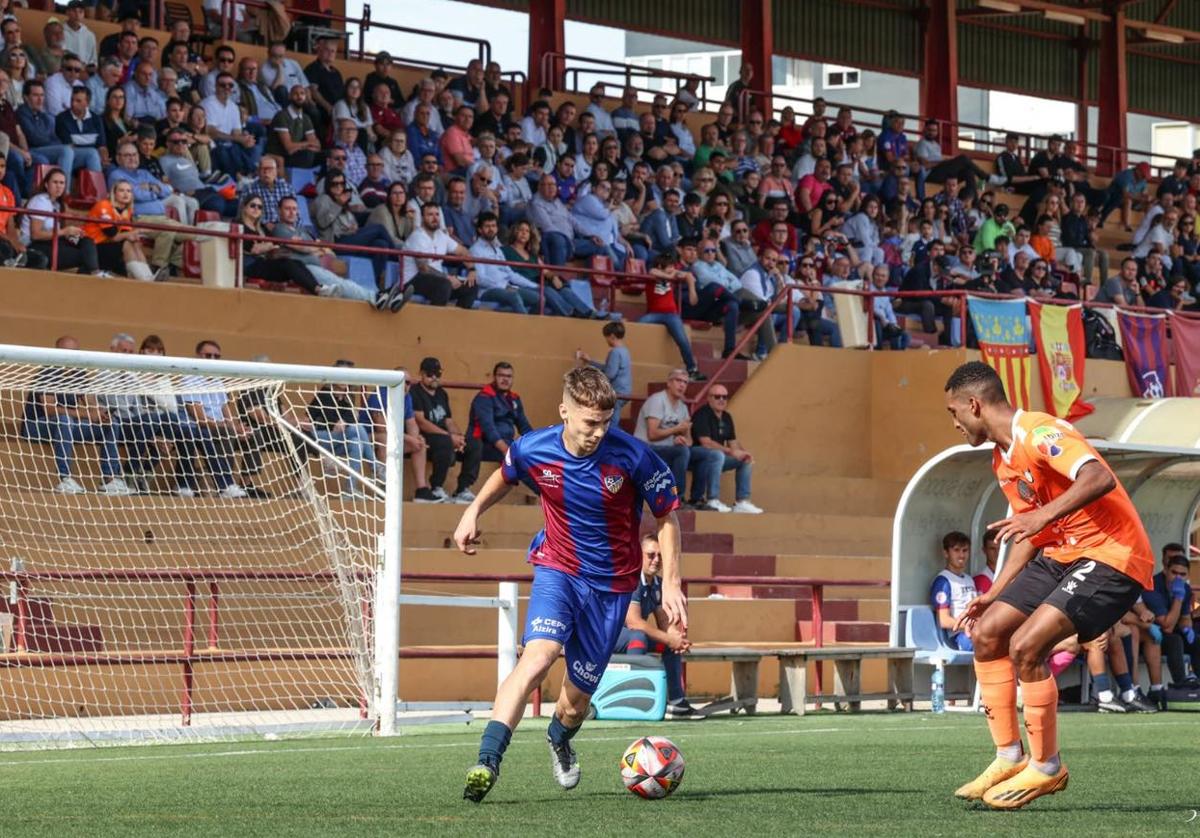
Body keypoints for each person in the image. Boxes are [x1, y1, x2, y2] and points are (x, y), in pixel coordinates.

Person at [459, 366, 686, 803]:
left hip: (613, 588)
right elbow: (505, 474)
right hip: (558, 570)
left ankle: (559, 739)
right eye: (589, 422)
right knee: (538, 657)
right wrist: (472, 513)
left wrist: (672, 581)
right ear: (564, 411)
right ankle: (487, 761)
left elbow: (667, 515)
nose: (599, 432)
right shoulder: (534, 448)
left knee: (574, 703)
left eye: (606, 422)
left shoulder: (633, 456)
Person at [944, 361, 1153, 809]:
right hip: (1061, 554)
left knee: (1025, 647)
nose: (955, 423)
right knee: (987, 634)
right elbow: (1029, 533)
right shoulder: (1002, 459)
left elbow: (1097, 476)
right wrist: (995, 591)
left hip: (1111, 556)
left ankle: (1047, 767)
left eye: (953, 412)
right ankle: (1008, 756)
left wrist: (1042, 515)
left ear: (974, 405)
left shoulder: (1040, 432)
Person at [20, 335, 131, 495]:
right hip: (35, 426)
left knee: (111, 423)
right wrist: (85, 414)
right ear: (56, 352)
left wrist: (100, 414)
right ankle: (64, 478)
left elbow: (91, 403)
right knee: (64, 420)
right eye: (66, 351)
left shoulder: (79, 374)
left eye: (74, 351)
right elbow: (49, 409)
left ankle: (109, 480)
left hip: (67, 426)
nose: (70, 356)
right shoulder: (48, 372)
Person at [611, 534, 696, 717]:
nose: (656, 560)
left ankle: (676, 702)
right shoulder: (632, 580)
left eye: (660, 556)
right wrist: (669, 638)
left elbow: (664, 621)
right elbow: (634, 622)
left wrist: (676, 638)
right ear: (638, 555)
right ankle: (631, 700)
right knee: (638, 637)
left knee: (669, 645)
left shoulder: (657, 583)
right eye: (651, 555)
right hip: (605, 637)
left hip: (629, 636)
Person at [271, 196, 376, 303]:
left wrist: (312, 247)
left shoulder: (302, 230)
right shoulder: (279, 229)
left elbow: (327, 251)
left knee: (343, 282)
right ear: (279, 211)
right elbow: (303, 247)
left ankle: (375, 296)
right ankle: (375, 297)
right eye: (287, 209)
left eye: (294, 209)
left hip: (317, 267)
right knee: (340, 284)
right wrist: (315, 248)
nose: (291, 212)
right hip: (305, 268)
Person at [410, 356, 480, 505]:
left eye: (438, 374)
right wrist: (449, 437)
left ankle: (462, 489)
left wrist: (458, 437)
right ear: (421, 374)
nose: (434, 377)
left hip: (444, 436)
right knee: (445, 442)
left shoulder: (442, 394)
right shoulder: (415, 392)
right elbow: (421, 422)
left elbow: (448, 420)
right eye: (430, 374)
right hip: (426, 436)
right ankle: (436, 487)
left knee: (474, 444)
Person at [690, 385, 762, 514]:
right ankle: (713, 499)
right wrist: (730, 451)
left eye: (725, 397)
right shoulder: (702, 414)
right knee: (718, 455)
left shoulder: (727, 417)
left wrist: (741, 454)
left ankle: (742, 502)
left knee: (744, 460)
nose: (721, 400)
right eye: (717, 397)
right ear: (709, 398)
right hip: (698, 457)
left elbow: (732, 442)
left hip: (718, 458)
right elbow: (706, 443)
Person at [21, 167, 104, 275]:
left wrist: (71, 233)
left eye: (62, 183)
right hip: (35, 245)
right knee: (84, 256)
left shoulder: (56, 204)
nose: (59, 186)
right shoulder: (40, 201)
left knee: (87, 241)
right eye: (55, 182)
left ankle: (94, 272)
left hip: (52, 241)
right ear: (46, 184)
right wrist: (64, 232)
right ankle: (96, 274)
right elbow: (35, 235)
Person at [1140, 545, 1199, 688]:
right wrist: (1178, 599)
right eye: (1174, 573)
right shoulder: (1153, 585)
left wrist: (1187, 628)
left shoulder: (1185, 588)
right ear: (1166, 570)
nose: (1178, 578)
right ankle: (1181, 685)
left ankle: (1196, 686)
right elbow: (1167, 626)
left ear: (1188, 576)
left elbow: (1185, 619)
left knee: (1197, 642)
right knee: (1175, 640)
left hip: (1170, 634)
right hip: (1150, 635)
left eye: (1182, 575)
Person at [307, 378, 376, 499]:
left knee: (356, 443)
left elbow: (350, 419)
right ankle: (374, 466)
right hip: (321, 438)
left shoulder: (349, 397)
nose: (345, 379)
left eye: (347, 376)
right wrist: (342, 423)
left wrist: (344, 422)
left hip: (339, 440)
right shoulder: (324, 395)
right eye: (341, 376)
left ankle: (349, 490)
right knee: (357, 428)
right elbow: (313, 418)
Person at [634, 370, 695, 503]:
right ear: (669, 383)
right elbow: (652, 434)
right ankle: (676, 497)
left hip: (667, 448)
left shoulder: (683, 408)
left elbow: (689, 442)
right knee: (682, 452)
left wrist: (682, 439)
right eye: (678, 381)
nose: (682, 385)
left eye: (685, 382)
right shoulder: (657, 400)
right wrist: (676, 429)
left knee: (710, 456)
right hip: (647, 449)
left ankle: (698, 499)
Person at [403, 202, 479, 309]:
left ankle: (457, 323)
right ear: (422, 217)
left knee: (471, 286)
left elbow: (463, 251)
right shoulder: (417, 237)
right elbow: (423, 268)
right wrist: (447, 277)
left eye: (437, 214)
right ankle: (435, 323)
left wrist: (472, 270)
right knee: (444, 285)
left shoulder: (441, 236)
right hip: (412, 281)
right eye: (430, 215)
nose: (435, 218)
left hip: (437, 280)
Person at [84, 179, 162, 281]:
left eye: (129, 191)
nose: (126, 194)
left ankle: (147, 276)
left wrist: (134, 235)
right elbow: (112, 234)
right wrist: (134, 233)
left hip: (109, 245)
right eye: (121, 190)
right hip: (92, 248)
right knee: (127, 243)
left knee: (134, 243)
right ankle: (145, 279)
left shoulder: (127, 211)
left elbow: (125, 233)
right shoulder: (104, 205)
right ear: (114, 193)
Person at [467, 362, 533, 462]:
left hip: (507, 443)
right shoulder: (484, 397)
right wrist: (506, 450)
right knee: (520, 459)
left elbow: (524, 426)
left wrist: (537, 443)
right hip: (485, 444)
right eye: (501, 375)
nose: (505, 379)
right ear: (494, 377)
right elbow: (489, 428)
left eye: (509, 376)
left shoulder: (514, 398)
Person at [931, 531, 979, 651]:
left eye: (965, 550)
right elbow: (944, 621)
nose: (961, 555)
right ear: (946, 553)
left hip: (977, 631)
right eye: (956, 550)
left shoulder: (969, 579)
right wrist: (971, 626)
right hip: (959, 636)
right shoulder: (943, 581)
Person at [576, 321, 631, 417]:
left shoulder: (615, 352)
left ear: (612, 336)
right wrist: (590, 361)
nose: (606, 340)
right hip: (625, 392)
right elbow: (608, 368)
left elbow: (610, 374)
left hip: (617, 393)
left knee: (610, 423)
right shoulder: (624, 351)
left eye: (607, 337)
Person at [267, 84, 320, 171]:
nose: (299, 96)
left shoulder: (306, 118)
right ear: (290, 96)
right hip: (281, 155)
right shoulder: (282, 116)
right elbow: (289, 147)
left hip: (296, 153)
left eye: (302, 93)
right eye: (296, 94)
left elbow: (317, 145)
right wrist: (307, 144)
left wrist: (303, 146)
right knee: (307, 156)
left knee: (329, 155)